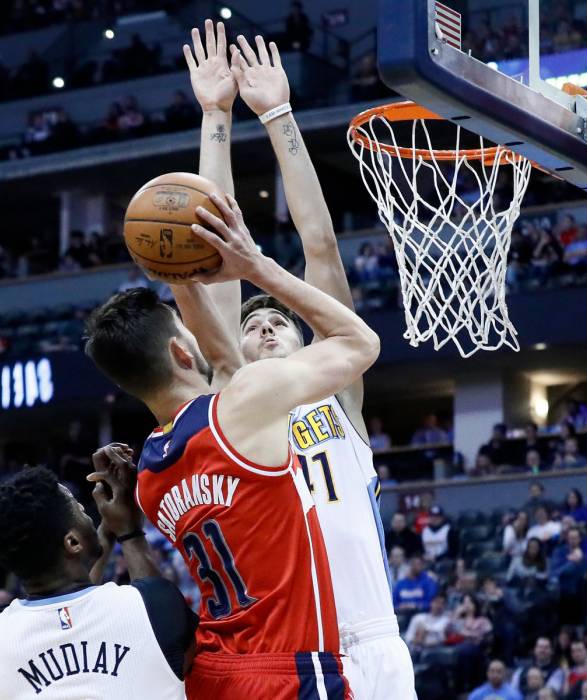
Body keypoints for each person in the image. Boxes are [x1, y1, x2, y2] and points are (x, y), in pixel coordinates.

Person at [174, 27, 414, 699]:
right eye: (253, 327)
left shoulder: (337, 398)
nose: (270, 325)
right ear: (231, 354)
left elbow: (321, 248)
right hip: (290, 652)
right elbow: (214, 266)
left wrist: (279, 116)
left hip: (373, 644)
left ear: (309, 342)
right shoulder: (233, 403)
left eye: (281, 319)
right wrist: (215, 117)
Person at [84, 205, 371, 695]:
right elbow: (358, 341)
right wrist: (255, 266)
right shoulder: (246, 404)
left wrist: (180, 274)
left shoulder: (150, 475)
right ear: (180, 351)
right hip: (289, 667)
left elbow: (218, 357)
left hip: (217, 673)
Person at [0, 453, 196, 699]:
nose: (88, 512)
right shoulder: (155, 603)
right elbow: (172, 646)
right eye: (78, 507)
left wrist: (105, 535)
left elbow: (73, 612)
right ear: (73, 542)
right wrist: (129, 531)